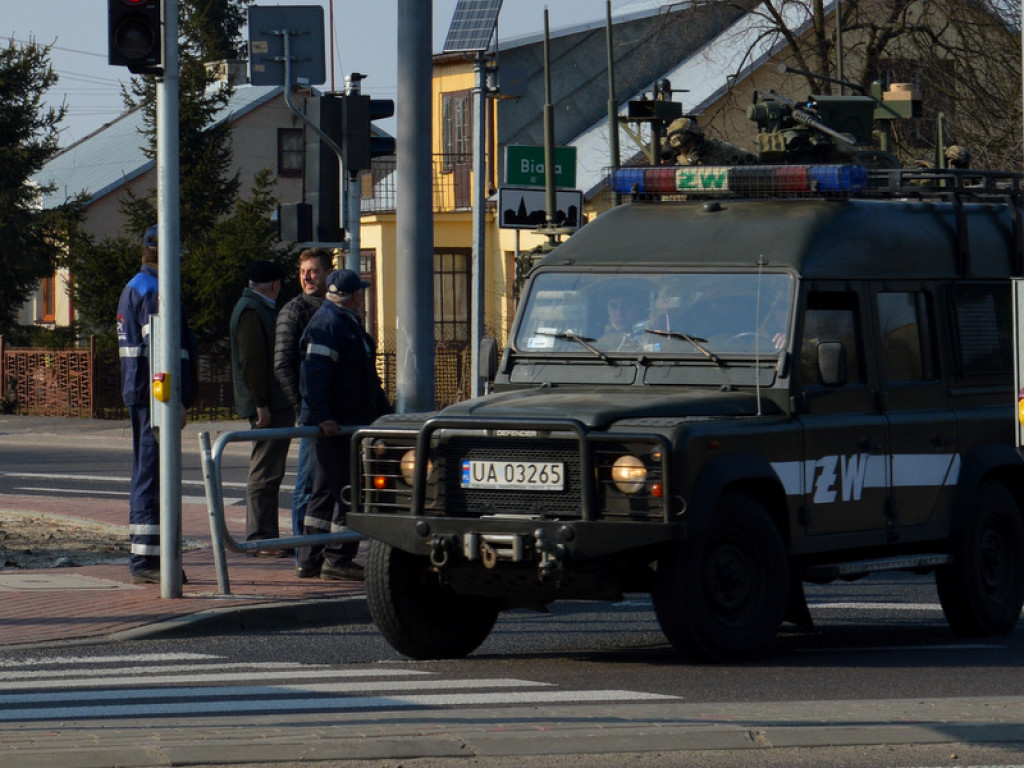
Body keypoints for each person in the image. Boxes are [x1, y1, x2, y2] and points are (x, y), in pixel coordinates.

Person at [297, 268, 393, 581]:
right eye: (360, 292)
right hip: (338, 424)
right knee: (349, 490)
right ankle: (337, 558)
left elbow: (365, 377)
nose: (362, 297)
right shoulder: (330, 323)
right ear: (353, 296)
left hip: (345, 421)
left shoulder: (341, 321)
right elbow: (315, 374)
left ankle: (310, 558)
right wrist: (323, 415)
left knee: (325, 490)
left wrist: (384, 412)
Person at [116, 224, 198, 585]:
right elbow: (161, 350)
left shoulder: (138, 286)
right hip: (155, 397)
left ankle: (150, 555)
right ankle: (147, 560)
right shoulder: (154, 291)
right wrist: (172, 401)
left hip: (144, 393)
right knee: (151, 476)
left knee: (148, 473)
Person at [229, 259, 292, 552]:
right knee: (265, 470)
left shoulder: (255, 308)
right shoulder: (252, 311)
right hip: (268, 405)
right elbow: (253, 361)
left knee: (270, 470)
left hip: (270, 402)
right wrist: (262, 403)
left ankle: (266, 536)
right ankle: (261, 537)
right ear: (275, 285)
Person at [273, 248, 332, 558]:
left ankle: (323, 551)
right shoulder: (294, 311)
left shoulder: (334, 309)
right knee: (307, 484)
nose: (307, 277)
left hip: (334, 412)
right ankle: (303, 552)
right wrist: (303, 407)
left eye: (313, 271)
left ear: (328, 273)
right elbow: (282, 365)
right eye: (302, 272)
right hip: (312, 413)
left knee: (329, 484)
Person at [661, 117, 755, 166]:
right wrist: (689, 165)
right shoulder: (676, 162)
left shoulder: (724, 151)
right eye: (680, 148)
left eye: (686, 144)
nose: (684, 150)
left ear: (697, 139)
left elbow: (753, 165)